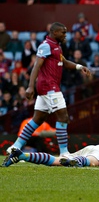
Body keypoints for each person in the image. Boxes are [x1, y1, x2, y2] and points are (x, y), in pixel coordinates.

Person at [4, 22, 92, 160]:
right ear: (55, 32)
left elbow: (65, 62)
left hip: (48, 87)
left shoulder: (57, 46)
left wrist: (80, 67)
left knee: (38, 118)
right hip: (49, 87)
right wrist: (30, 86)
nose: (65, 35)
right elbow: (36, 66)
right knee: (63, 117)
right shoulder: (46, 46)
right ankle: (64, 153)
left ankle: (15, 146)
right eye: (63, 32)